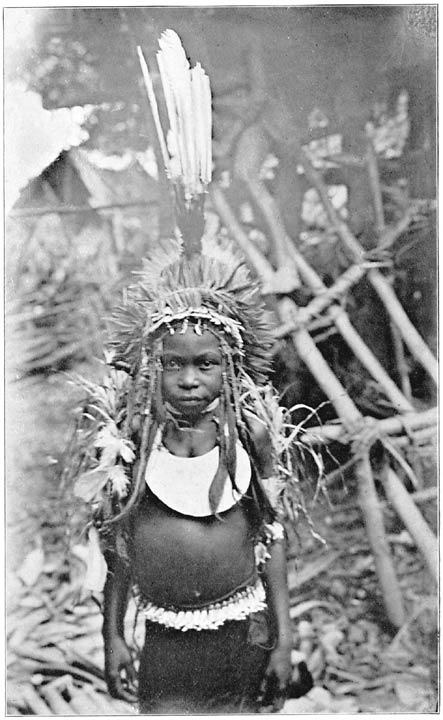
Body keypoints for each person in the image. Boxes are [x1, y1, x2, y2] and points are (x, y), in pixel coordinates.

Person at [73, 29, 311, 714]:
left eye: (204, 364)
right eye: (171, 365)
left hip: (243, 631)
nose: (187, 379)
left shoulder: (249, 439)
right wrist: (113, 633)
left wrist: (284, 638)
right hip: (164, 637)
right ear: (149, 367)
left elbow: (272, 544)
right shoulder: (132, 443)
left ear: (230, 370)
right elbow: (118, 545)